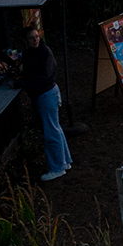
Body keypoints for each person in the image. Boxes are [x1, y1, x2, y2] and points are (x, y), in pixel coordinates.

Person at [21, 24, 72, 181]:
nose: (35, 40)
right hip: (44, 95)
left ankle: (57, 167)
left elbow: (45, 76)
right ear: (25, 40)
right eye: (32, 38)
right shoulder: (30, 53)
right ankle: (64, 161)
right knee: (55, 128)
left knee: (51, 131)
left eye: (37, 36)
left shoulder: (44, 52)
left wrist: (24, 84)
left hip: (47, 94)